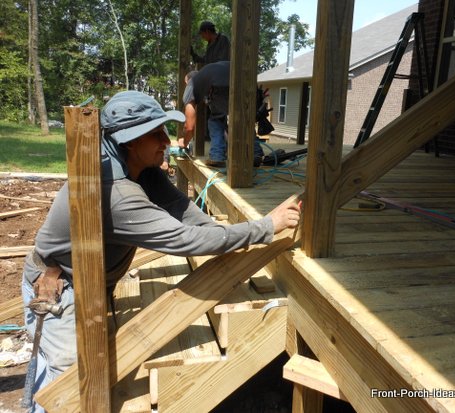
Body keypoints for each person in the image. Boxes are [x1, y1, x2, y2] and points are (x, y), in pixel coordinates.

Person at [21, 91, 301, 412]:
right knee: (69, 390)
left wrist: (238, 233)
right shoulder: (118, 194)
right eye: (155, 134)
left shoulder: (140, 170)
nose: (166, 141)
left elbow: (185, 213)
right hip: (61, 293)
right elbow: (185, 241)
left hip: (86, 281)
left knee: (64, 378)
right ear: (128, 141)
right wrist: (266, 226)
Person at [180, 61, 264, 167]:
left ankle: (217, 157)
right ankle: (254, 153)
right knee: (243, 119)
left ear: (188, 81)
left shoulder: (192, 83)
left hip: (223, 87)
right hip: (248, 84)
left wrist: (184, 142)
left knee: (215, 121)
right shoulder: (208, 73)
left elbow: (189, 126)